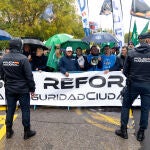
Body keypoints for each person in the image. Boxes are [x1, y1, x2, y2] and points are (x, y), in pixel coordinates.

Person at [115, 32, 150, 142]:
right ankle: (141, 133)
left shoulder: (131, 53)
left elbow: (125, 71)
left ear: (140, 40)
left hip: (133, 84)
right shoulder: (131, 52)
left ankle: (123, 131)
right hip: (147, 86)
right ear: (147, 40)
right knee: (145, 109)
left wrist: (132, 77)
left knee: (126, 106)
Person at [0, 38, 36, 140]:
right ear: (19, 46)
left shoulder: (3, 59)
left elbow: (1, 75)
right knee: (25, 110)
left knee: (10, 110)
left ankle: (8, 131)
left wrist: (8, 81)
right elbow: (29, 76)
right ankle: (27, 132)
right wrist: (32, 89)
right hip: (23, 89)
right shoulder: (23, 59)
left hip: (10, 89)